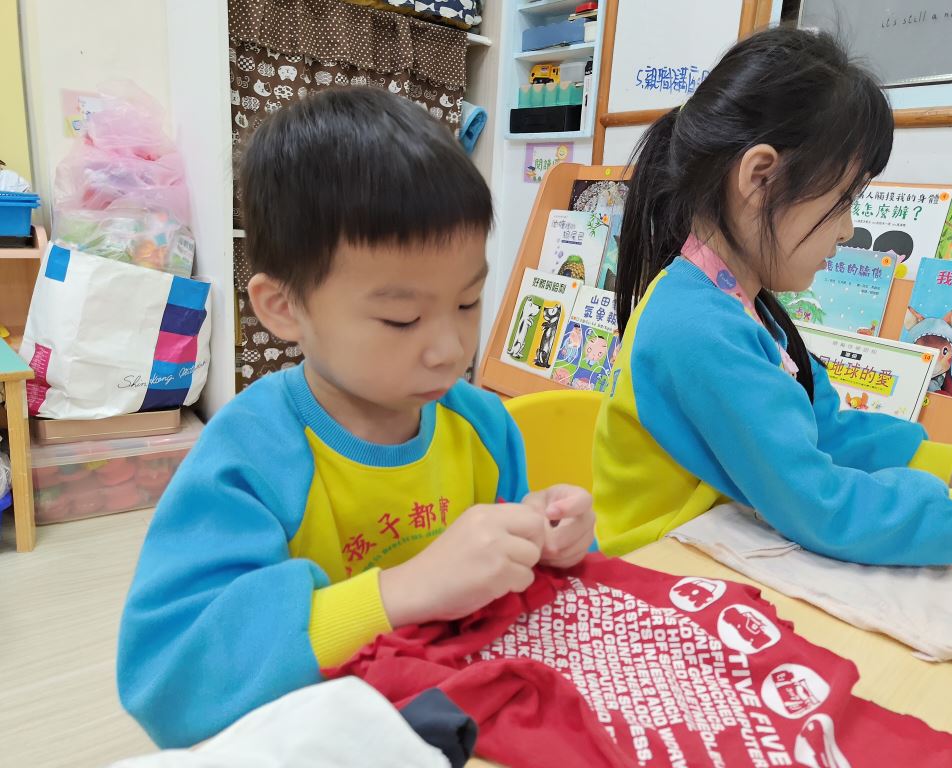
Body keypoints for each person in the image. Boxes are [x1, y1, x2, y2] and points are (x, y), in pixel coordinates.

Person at [118, 88, 595, 748]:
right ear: (284, 308)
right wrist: (398, 593)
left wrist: (559, 542)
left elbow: (531, 601)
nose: (450, 348)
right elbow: (170, 682)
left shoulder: (484, 427)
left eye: (468, 302)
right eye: (401, 318)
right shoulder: (249, 458)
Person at [591, 27, 952, 567]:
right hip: (654, 573)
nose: (847, 229)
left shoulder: (737, 303)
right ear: (760, 178)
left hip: (714, 550)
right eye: (842, 199)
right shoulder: (695, 327)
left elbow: (826, 432)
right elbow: (818, 505)